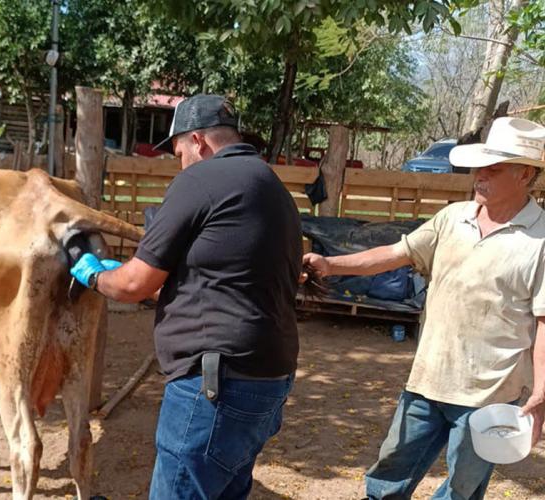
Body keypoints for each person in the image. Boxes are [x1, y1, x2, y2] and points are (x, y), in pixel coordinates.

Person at [70, 94, 303, 499]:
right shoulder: (271, 186)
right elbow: (228, 277)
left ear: (199, 141)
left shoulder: (200, 181)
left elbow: (131, 285)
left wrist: (94, 275)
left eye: (179, 152)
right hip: (268, 378)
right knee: (226, 488)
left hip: (215, 384)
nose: (179, 163)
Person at [303, 117, 545, 499]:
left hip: (490, 394)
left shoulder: (540, 239)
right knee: (388, 477)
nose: (479, 175)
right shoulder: (452, 218)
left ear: (525, 174)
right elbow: (395, 254)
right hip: (428, 379)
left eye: (492, 169)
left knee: (461, 489)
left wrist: (541, 394)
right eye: (479, 166)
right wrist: (332, 265)